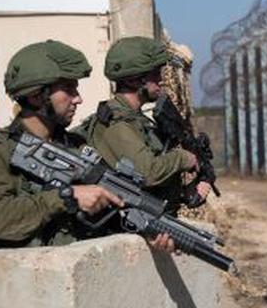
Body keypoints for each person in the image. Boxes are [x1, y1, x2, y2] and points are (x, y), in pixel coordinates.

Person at [0, 40, 173, 251]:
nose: (79, 99)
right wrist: (67, 197)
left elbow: (108, 211)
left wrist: (144, 232)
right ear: (37, 96)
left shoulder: (76, 147)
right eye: (68, 90)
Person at [87, 36, 210, 210]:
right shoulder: (116, 122)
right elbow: (146, 172)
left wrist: (185, 194)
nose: (161, 79)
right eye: (155, 73)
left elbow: (143, 187)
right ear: (133, 80)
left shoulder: (137, 120)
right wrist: (184, 158)